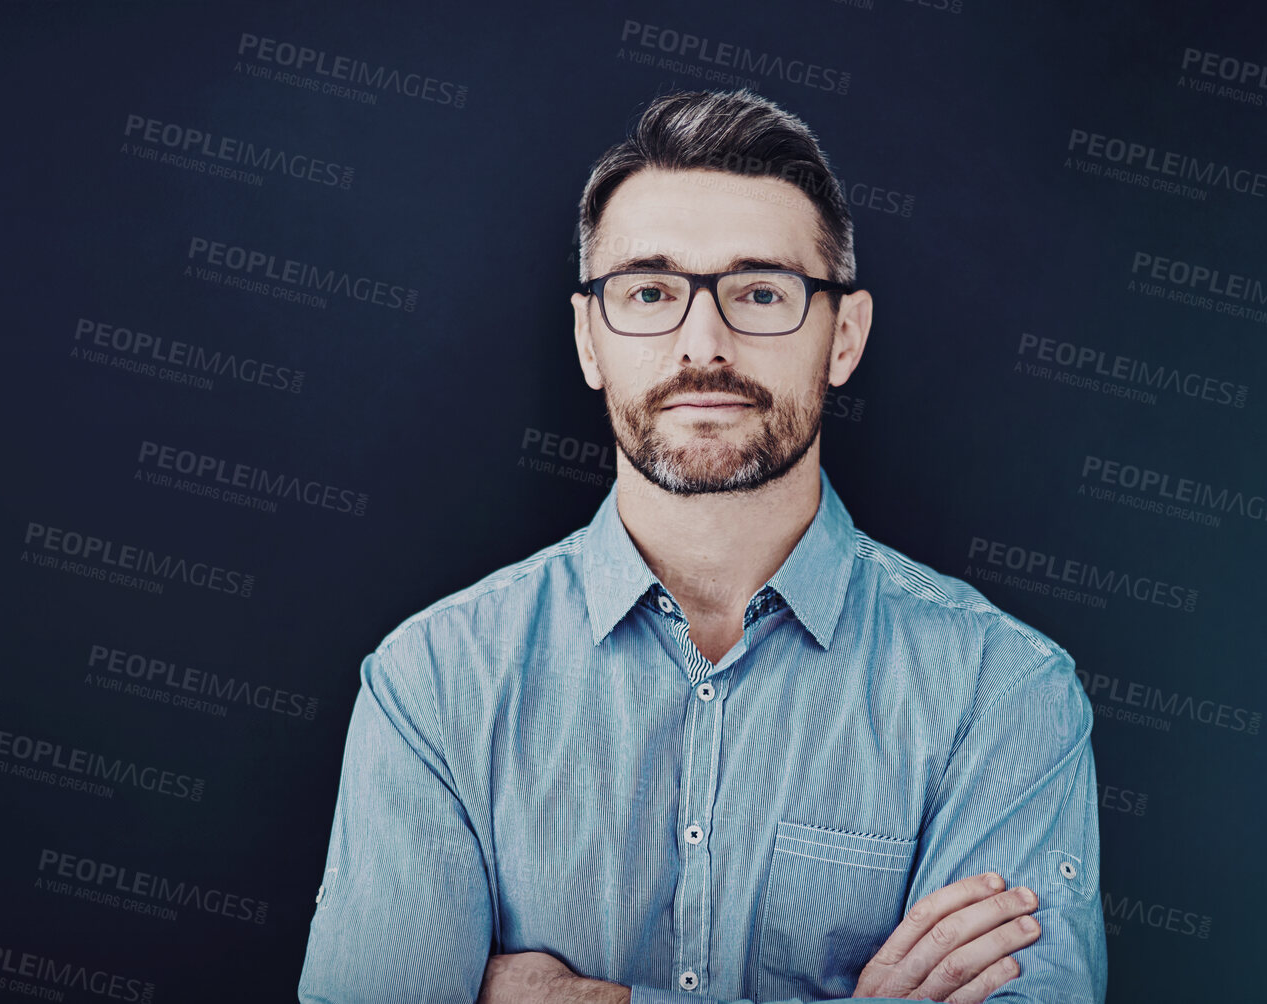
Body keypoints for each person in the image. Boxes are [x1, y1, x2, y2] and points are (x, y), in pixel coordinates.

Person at [295, 89, 1104, 1004]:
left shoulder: (999, 692)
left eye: (761, 292)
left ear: (843, 337)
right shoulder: (434, 682)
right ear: (588, 340)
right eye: (649, 292)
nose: (702, 343)